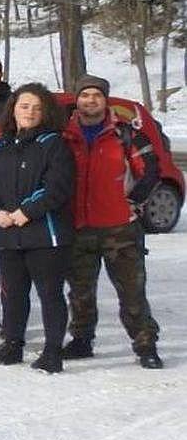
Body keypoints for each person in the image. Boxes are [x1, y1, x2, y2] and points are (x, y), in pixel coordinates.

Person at [62, 75, 163, 368]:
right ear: (77, 100)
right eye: (85, 95)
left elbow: (151, 170)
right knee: (80, 290)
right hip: (78, 226)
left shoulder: (124, 134)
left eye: (96, 95)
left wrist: (132, 202)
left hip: (119, 227)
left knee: (132, 291)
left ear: (105, 100)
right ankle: (81, 339)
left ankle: (145, 344)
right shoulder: (64, 135)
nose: (90, 100)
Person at [0, 83, 76, 372]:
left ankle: (52, 351)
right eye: (24, 106)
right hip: (6, 233)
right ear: (13, 109)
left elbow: (57, 187)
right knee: (13, 292)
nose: (29, 112)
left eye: (36, 107)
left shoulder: (54, 144)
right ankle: (12, 344)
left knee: (49, 294)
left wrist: (26, 212)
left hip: (45, 234)